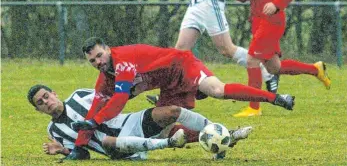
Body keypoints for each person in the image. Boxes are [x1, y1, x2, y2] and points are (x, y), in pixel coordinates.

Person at [67, 37, 295, 159]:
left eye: (99, 55)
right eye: (93, 61)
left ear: (108, 49)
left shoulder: (123, 58)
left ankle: (275, 97)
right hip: (169, 87)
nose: (98, 62)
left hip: (182, 65)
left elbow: (118, 99)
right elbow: (95, 108)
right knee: (168, 132)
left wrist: (96, 122)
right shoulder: (104, 79)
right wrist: (80, 145)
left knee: (216, 90)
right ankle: (227, 136)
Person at [233, 0, 331, 117]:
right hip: (257, 21)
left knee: (252, 59)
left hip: (273, 20)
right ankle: (315, 69)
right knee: (274, 67)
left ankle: (254, 107)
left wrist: (277, 4)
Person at [27, 84, 253, 160]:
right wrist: (62, 151)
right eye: (40, 103)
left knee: (172, 111)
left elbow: (111, 97)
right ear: (38, 110)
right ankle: (169, 143)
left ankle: (226, 136)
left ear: (54, 93)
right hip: (115, 147)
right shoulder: (53, 130)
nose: (46, 102)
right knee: (106, 140)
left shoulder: (79, 95)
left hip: (129, 122)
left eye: (46, 96)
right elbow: (83, 155)